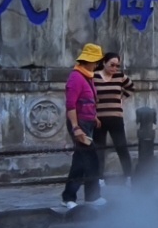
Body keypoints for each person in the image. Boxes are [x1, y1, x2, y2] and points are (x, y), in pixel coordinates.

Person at [55, 42, 104, 211]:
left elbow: (89, 101)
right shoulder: (76, 77)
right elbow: (71, 105)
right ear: (88, 61)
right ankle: (69, 196)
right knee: (84, 161)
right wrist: (76, 127)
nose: (97, 64)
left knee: (87, 160)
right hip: (79, 123)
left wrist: (94, 117)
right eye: (95, 61)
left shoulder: (87, 76)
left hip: (87, 122)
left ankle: (90, 196)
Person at [93, 50, 133, 178]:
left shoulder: (120, 76)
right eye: (112, 64)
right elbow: (88, 95)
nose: (114, 68)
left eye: (117, 65)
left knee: (122, 148)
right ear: (104, 63)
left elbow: (131, 87)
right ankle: (99, 179)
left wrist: (121, 98)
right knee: (99, 150)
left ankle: (128, 177)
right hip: (99, 119)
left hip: (116, 118)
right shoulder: (94, 77)